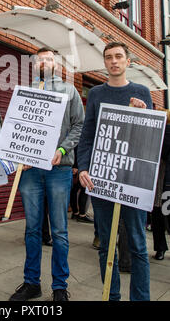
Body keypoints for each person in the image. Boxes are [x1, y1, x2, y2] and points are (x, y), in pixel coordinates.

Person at [77, 41, 152, 301]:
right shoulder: (96, 93)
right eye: (109, 57)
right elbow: (87, 136)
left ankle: (140, 298)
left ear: (128, 61)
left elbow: (150, 141)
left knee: (138, 245)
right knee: (106, 247)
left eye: (119, 56)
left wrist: (144, 114)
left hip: (132, 181)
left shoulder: (142, 92)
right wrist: (83, 167)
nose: (114, 61)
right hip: (102, 180)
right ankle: (112, 296)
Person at [9, 48, 84, 302]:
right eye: (40, 59)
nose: (44, 62)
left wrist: (62, 150)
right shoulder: (24, 91)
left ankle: (60, 286)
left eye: (49, 58)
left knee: (60, 231)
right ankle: (31, 283)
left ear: (57, 64)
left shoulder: (69, 91)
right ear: (35, 64)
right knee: (31, 229)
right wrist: (20, 152)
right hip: (30, 171)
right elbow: (15, 129)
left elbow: (79, 125)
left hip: (59, 169)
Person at [151, 111, 170, 260]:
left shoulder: (164, 133)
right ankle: (160, 248)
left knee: (159, 215)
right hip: (161, 181)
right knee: (161, 214)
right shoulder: (161, 133)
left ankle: (160, 249)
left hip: (162, 182)